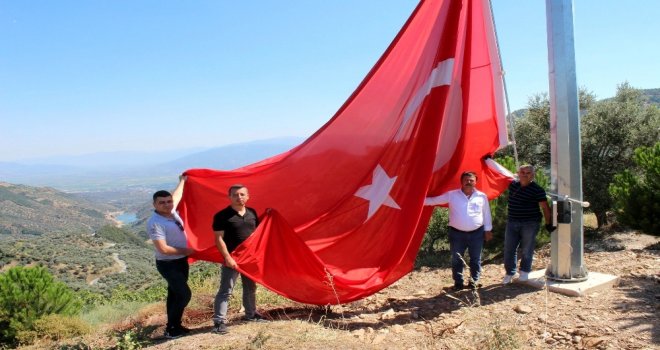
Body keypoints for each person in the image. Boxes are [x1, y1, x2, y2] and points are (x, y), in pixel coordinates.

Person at [211, 184, 267, 334]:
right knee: (226, 290)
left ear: (248, 197)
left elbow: (259, 233)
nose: (239, 197)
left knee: (250, 288)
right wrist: (227, 258)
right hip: (232, 259)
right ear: (229, 197)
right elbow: (219, 239)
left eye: (242, 194)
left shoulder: (252, 213)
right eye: (235, 195)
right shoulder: (222, 216)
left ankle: (251, 314)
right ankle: (219, 322)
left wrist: (269, 216)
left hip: (249, 259)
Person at [425, 171, 493, 290]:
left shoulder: (482, 196)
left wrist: (488, 230)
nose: (469, 182)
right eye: (466, 180)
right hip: (457, 234)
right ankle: (458, 283)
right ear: (461, 182)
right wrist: (415, 200)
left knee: (476, 259)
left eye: (471, 180)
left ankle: (474, 282)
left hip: (477, 233)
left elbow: (486, 214)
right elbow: (433, 201)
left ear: (475, 182)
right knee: (457, 259)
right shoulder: (452, 195)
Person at [146, 178, 193, 339]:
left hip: (181, 261)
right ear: (155, 205)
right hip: (168, 264)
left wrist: (183, 180)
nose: (167, 204)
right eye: (162, 203)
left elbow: (177, 196)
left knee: (174, 295)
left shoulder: (172, 212)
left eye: (168, 201)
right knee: (184, 294)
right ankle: (171, 328)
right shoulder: (155, 222)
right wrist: (187, 250)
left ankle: (175, 326)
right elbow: (163, 249)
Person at [502, 165, 554, 284]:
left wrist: (548, 223)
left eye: (528, 172)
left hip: (530, 223)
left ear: (533, 175)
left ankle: (525, 271)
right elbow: (499, 175)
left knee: (527, 248)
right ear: (518, 173)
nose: (525, 174)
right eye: (522, 172)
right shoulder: (513, 185)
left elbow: (545, 208)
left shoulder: (538, 190)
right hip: (512, 222)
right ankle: (510, 272)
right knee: (509, 248)